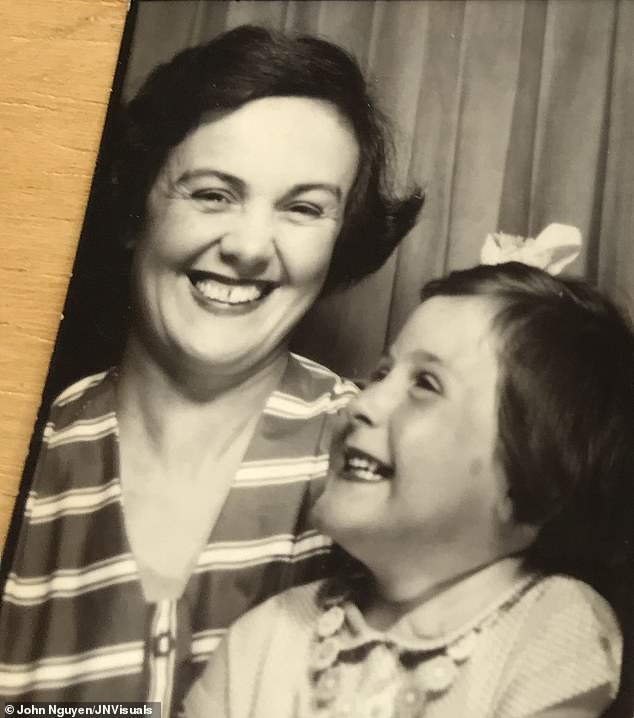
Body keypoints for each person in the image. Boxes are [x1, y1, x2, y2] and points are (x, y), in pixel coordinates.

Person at [0, 25, 423, 710]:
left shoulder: (379, 456)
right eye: (212, 194)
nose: (251, 247)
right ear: (136, 205)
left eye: (303, 208)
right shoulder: (30, 443)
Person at [185, 262, 633, 718]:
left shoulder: (551, 628)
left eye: (425, 384)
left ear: (530, 482)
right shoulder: (266, 637)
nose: (363, 402)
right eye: (382, 373)